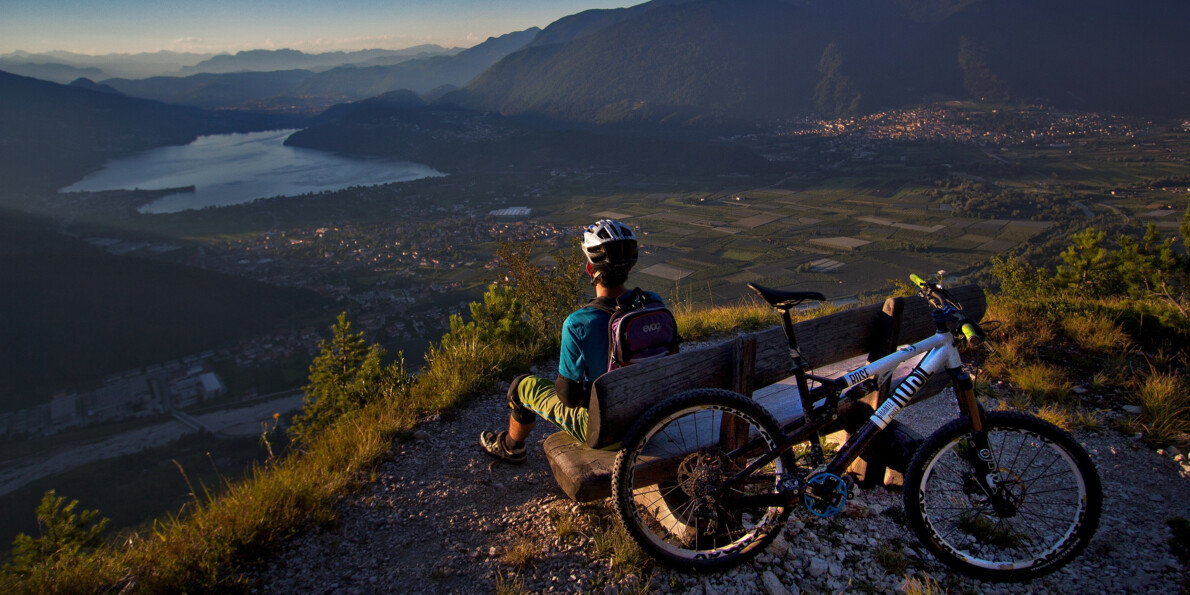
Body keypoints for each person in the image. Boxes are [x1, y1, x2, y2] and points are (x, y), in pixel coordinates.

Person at [479, 219, 663, 464]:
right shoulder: (652, 303)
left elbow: (567, 396)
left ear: (590, 269)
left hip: (609, 432)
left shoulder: (579, 323)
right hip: (656, 420)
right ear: (630, 267)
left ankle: (511, 447)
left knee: (521, 387)